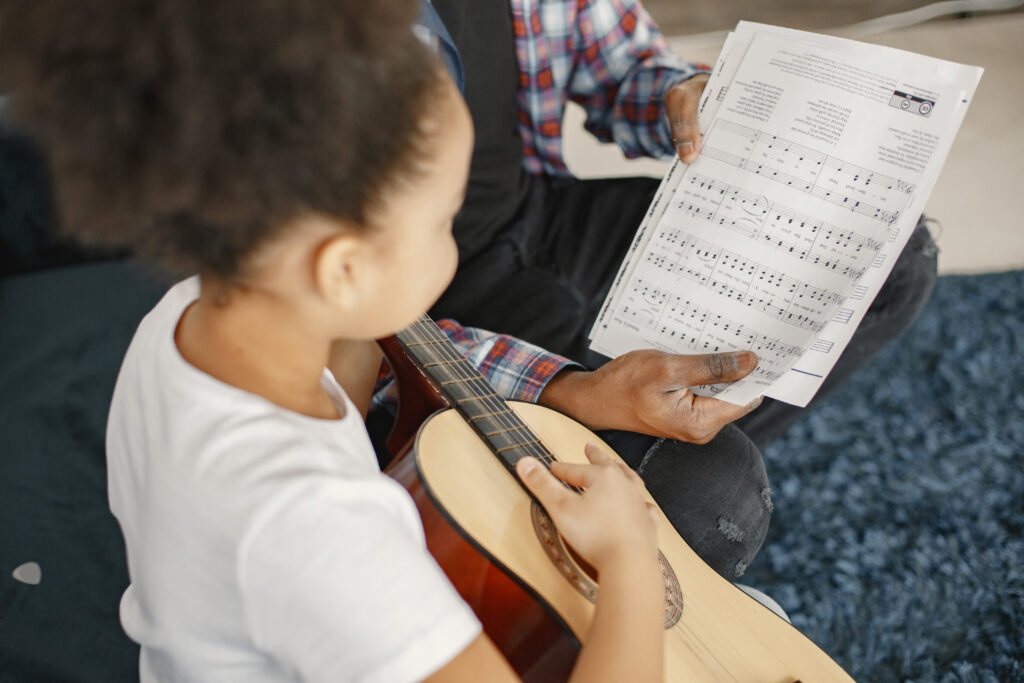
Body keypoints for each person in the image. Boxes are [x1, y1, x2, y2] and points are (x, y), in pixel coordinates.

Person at [0, 0, 782, 679]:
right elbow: (332, 547)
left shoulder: (185, 315)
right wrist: (627, 563)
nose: (454, 248)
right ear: (342, 270)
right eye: (444, 223)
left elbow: (403, 342)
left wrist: (574, 389)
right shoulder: (324, 533)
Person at [420, 0, 939, 447]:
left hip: (537, 213)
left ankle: (659, 469)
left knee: (889, 262)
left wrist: (697, 99)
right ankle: (656, 483)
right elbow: (354, 352)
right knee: (716, 499)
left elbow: (625, 66)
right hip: (427, 307)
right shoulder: (352, 35)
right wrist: (565, 391)